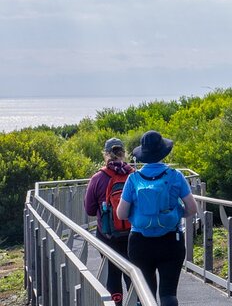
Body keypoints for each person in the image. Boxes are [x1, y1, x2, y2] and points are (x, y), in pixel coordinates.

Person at [117, 130, 198, 306]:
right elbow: (192, 209)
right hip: (170, 241)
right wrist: (175, 214)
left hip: (140, 242)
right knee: (168, 293)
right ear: (163, 152)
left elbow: (121, 214)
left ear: (143, 155)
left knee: (145, 294)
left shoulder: (133, 179)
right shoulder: (176, 176)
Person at [83, 137, 135, 306]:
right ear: (123, 153)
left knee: (112, 274)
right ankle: (137, 301)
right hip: (133, 233)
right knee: (134, 273)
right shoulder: (133, 175)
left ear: (106, 154)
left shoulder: (97, 178)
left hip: (107, 235)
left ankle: (116, 303)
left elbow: (90, 210)